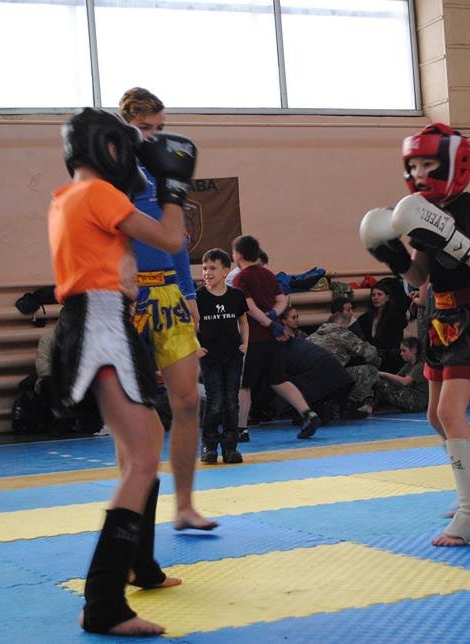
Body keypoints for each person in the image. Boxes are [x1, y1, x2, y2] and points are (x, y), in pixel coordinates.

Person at [49, 108, 193, 635]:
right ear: (109, 148)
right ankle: (104, 602)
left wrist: (121, 266)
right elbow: (172, 239)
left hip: (96, 318)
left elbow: (108, 254)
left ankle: (138, 565)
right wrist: (174, 187)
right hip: (102, 323)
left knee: (147, 441)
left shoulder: (66, 196)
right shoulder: (100, 193)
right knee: (141, 458)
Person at [360, 123, 470, 547]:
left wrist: (451, 237)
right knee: (434, 415)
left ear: (454, 164)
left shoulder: (469, 207)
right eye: (414, 165)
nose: (420, 173)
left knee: (450, 412)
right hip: (440, 314)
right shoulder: (422, 209)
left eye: (429, 164)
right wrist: (392, 256)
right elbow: (420, 275)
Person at [119, 87, 216, 532]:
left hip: (169, 295)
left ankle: (185, 506)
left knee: (189, 399)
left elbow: (177, 237)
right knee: (133, 410)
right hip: (127, 296)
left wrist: (189, 293)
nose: (153, 136)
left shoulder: (165, 169)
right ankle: (133, 511)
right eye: (145, 128)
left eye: (159, 128)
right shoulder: (111, 175)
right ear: (126, 128)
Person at [232, 234, 322, 440]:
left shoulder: (240, 278)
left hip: (253, 338)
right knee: (278, 380)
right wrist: (273, 316)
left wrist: (269, 323)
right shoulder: (268, 275)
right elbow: (282, 300)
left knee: (244, 385)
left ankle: (240, 429)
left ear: (238, 255)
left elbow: (249, 307)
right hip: (271, 339)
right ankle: (308, 413)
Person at [195, 248, 248, 464]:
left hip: (233, 356)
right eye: (204, 268)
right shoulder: (198, 297)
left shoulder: (236, 296)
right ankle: (209, 445)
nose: (207, 272)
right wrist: (195, 346)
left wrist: (245, 343)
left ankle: (230, 446)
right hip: (210, 357)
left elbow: (243, 321)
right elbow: (190, 324)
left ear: (225, 271)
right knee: (215, 400)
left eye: (212, 268)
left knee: (231, 401)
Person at [307, 311, 381, 417]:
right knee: (370, 370)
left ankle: (331, 406)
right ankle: (351, 405)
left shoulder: (311, 337)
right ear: (341, 323)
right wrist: (377, 362)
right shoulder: (341, 332)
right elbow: (370, 352)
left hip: (309, 383)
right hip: (330, 380)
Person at [361, 337, 428, 414]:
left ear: (414, 350)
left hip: (417, 401)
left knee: (384, 385)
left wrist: (383, 374)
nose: (401, 354)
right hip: (410, 396)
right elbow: (394, 380)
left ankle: (370, 406)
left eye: (404, 351)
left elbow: (405, 382)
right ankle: (369, 405)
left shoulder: (421, 365)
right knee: (380, 383)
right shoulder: (408, 366)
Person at [357, 281, 408, 372]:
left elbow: (394, 343)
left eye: (379, 294)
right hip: (370, 357)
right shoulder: (365, 318)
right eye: (373, 295)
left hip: (389, 358)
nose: (376, 297)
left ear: (387, 298)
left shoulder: (396, 318)